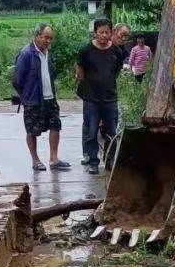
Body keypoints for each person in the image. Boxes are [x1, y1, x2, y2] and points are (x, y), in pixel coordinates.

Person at [12, 23, 69, 172]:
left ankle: (54, 158)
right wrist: (26, 96)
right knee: (32, 130)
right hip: (33, 100)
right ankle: (35, 160)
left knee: (55, 125)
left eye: (51, 38)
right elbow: (17, 81)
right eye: (45, 37)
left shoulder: (48, 53)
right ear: (37, 36)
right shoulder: (26, 54)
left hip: (50, 97)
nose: (48, 41)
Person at [77, 18, 125, 175]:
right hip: (92, 99)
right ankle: (93, 161)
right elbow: (80, 71)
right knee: (92, 131)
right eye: (101, 32)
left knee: (111, 130)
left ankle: (110, 159)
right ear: (95, 32)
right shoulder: (85, 50)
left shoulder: (116, 51)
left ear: (111, 33)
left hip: (110, 98)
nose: (104, 35)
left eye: (107, 32)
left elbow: (116, 70)